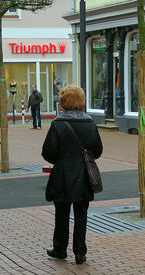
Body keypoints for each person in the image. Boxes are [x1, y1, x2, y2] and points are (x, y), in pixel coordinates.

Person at [42, 85, 103, 265]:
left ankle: (60, 249)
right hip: (84, 175)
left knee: (61, 213)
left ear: (63, 103)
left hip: (62, 175)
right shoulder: (90, 123)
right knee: (81, 213)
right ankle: (80, 252)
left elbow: (48, 152)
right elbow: (97, 150)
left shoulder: (58, 124)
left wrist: (61, 160)